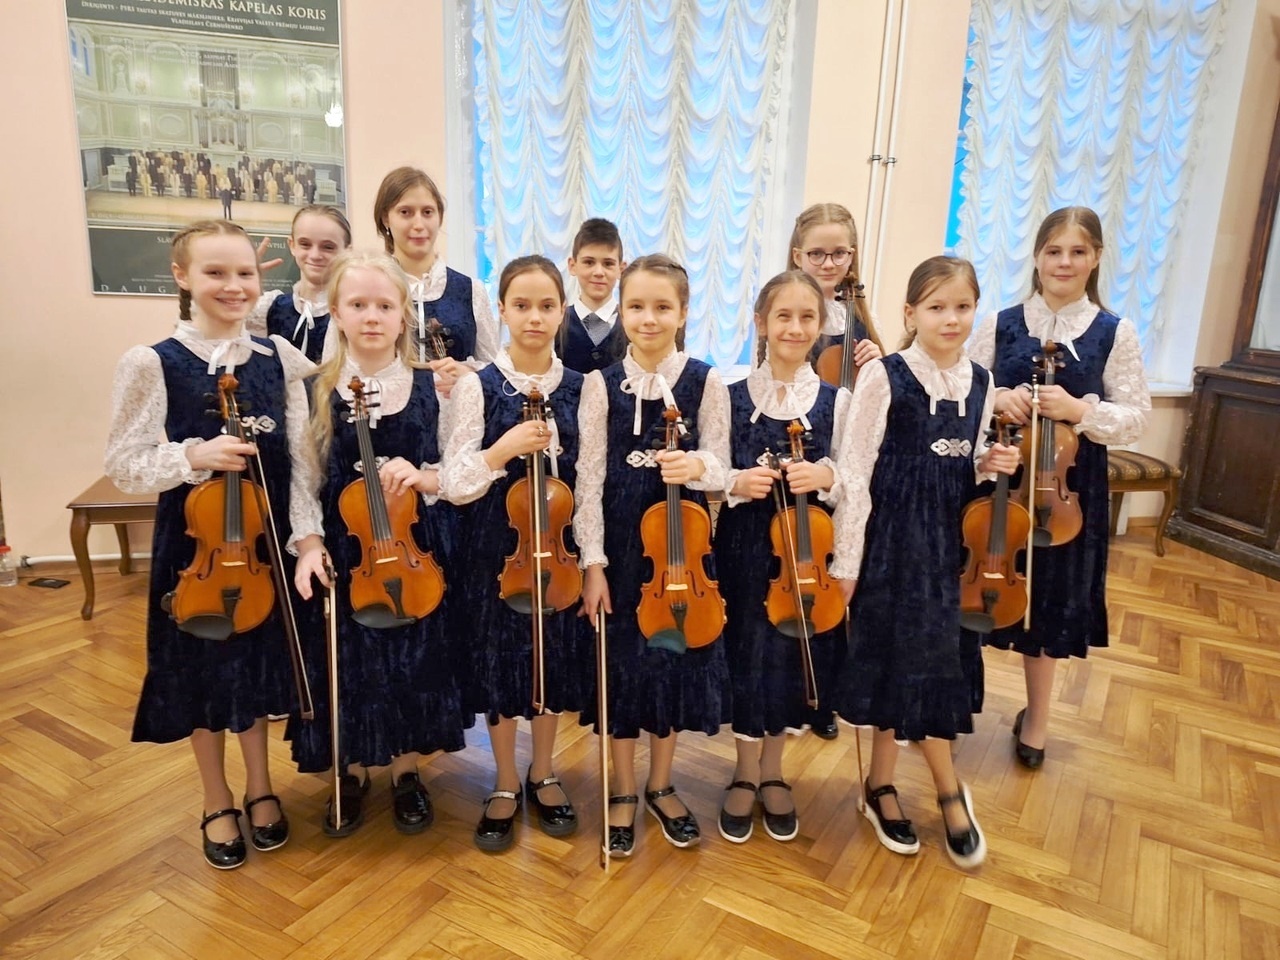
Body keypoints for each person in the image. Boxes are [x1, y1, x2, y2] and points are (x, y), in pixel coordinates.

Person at [105, 219, 321, 870]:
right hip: (194, 549)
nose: (234, 286)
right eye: (216, 272)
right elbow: (123, 464)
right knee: (201, 674)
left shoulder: (279, 358)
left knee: (254, 670)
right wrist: (192, 456)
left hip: (263, 545)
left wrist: (306, 537)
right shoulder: (153, 361)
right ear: (182, 276)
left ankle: (260, 788)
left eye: (245, 273)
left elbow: (303, 464)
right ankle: (216, 798)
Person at [831, 256, 1019, 869]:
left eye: (962, 307)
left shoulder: (982, 381)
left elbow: (968, 466)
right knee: (897, 663)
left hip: (952, 552)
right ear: (911, 313)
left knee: (937, 663)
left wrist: (991, 465)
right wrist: (848, 562)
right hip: (893, 545)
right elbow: (855, 472)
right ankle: (917, 788)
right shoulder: (885, 376)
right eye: (936, 307)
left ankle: (905, 785)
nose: (950, 318)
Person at [968, 206, 1150, 768]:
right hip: (1000, 479)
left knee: (1048, 602)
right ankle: (952, 706)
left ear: (1096, 258)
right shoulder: (1000, 323)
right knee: (977, 592)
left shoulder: (1114, 332)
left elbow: (1136, 417)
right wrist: (998, 399)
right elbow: (965, 391)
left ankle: (1038, 720)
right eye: (1054, 251)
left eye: (1077, 252)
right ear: (1037, 257)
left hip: (1067, 491)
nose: (1064, 262)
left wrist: (1079, 410)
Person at [291, 250, 466, 837]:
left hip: (414, 541)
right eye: (358, 304)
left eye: (384, 306)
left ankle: (406, 770)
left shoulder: (433, 385)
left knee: (410, 659)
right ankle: (351, 767)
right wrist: (309, 543)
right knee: (350, 662)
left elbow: (453, 468)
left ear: (403, 316)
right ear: (337, 312)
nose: (372, 316)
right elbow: (303, 477)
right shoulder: (312, 388)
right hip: (346, 547)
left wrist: (422, 475)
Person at [578, 254, 732, 857]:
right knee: (622, 670)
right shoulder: (600, 383)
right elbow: (589, 478)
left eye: (662, 307)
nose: (649, 318)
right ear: (621, 311)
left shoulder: (705, 381)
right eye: (637, 306)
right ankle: (622, 787)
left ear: (683, 313)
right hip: (622, 549)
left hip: (680, 551)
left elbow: (720, 464)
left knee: (671, 661)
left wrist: (695, 465)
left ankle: (661, 784)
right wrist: (593, 563)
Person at [441, 255, 595, 852]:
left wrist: (591, 559)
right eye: (522, 305)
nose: (534, 317)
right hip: (495, 548)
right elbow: (456, 481)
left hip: (557, 550)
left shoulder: (582, 387)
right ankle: (505, 778)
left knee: (549, 661)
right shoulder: (478, 386)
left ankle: (544, 771)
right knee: (502, 664)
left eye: (547, 306)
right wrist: (501, 449)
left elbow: (591, 482)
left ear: (562, 312)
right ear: (501, 310)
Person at [715, 270, 856, 844]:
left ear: (820, 326)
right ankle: (744, 771)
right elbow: (710, 468)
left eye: (806, 318)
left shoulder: (837, 400)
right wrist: (736, 481)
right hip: (745, 549)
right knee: (747, 655)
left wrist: (825, 475)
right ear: (761, 323)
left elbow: (855, 477)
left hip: (803, 554)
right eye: (783, 316)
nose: (795, 328)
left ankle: (773, 770)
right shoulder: (728, 394)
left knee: (788, 658)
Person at [357, 166, 498, 397]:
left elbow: (495, 371)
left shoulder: (471, 290)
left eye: (427, 212)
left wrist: (470, 375)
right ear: (385, 218)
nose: (419, 224)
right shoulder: (366, 288)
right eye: (405, 212)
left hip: (457, 411)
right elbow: (342, 366)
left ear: (439, 217)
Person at [247, 205, 351, 363]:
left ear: (347, 251)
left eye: (328, 247)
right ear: (292, 245)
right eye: (305, 244)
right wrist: (241, 281)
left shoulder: (353, 314)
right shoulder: (269, 308)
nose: (315, 255)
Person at [559, 218, 627, 373]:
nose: (598, 272)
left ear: (621, 269)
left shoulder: (634, 324)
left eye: (608, 264)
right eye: (589, 262)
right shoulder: (557, 323)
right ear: (572, 265)